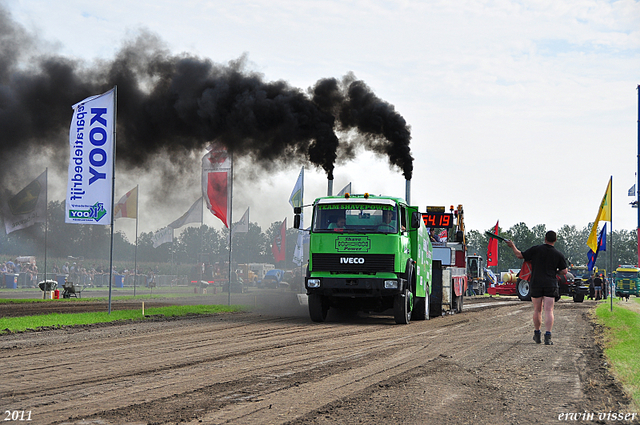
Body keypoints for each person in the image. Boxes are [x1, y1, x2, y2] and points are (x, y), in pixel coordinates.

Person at [506, 231, 568, 345]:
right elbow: (564, 271)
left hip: (536, 283)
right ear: (555, 240)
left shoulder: (536, 249)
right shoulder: (558, 254)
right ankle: (548, 337)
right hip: (550, 283)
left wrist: (512, 246)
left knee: (537, 310)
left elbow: (520, 255)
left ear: (545, 238)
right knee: (549, 310)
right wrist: (556, 271)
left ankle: (537, 334)